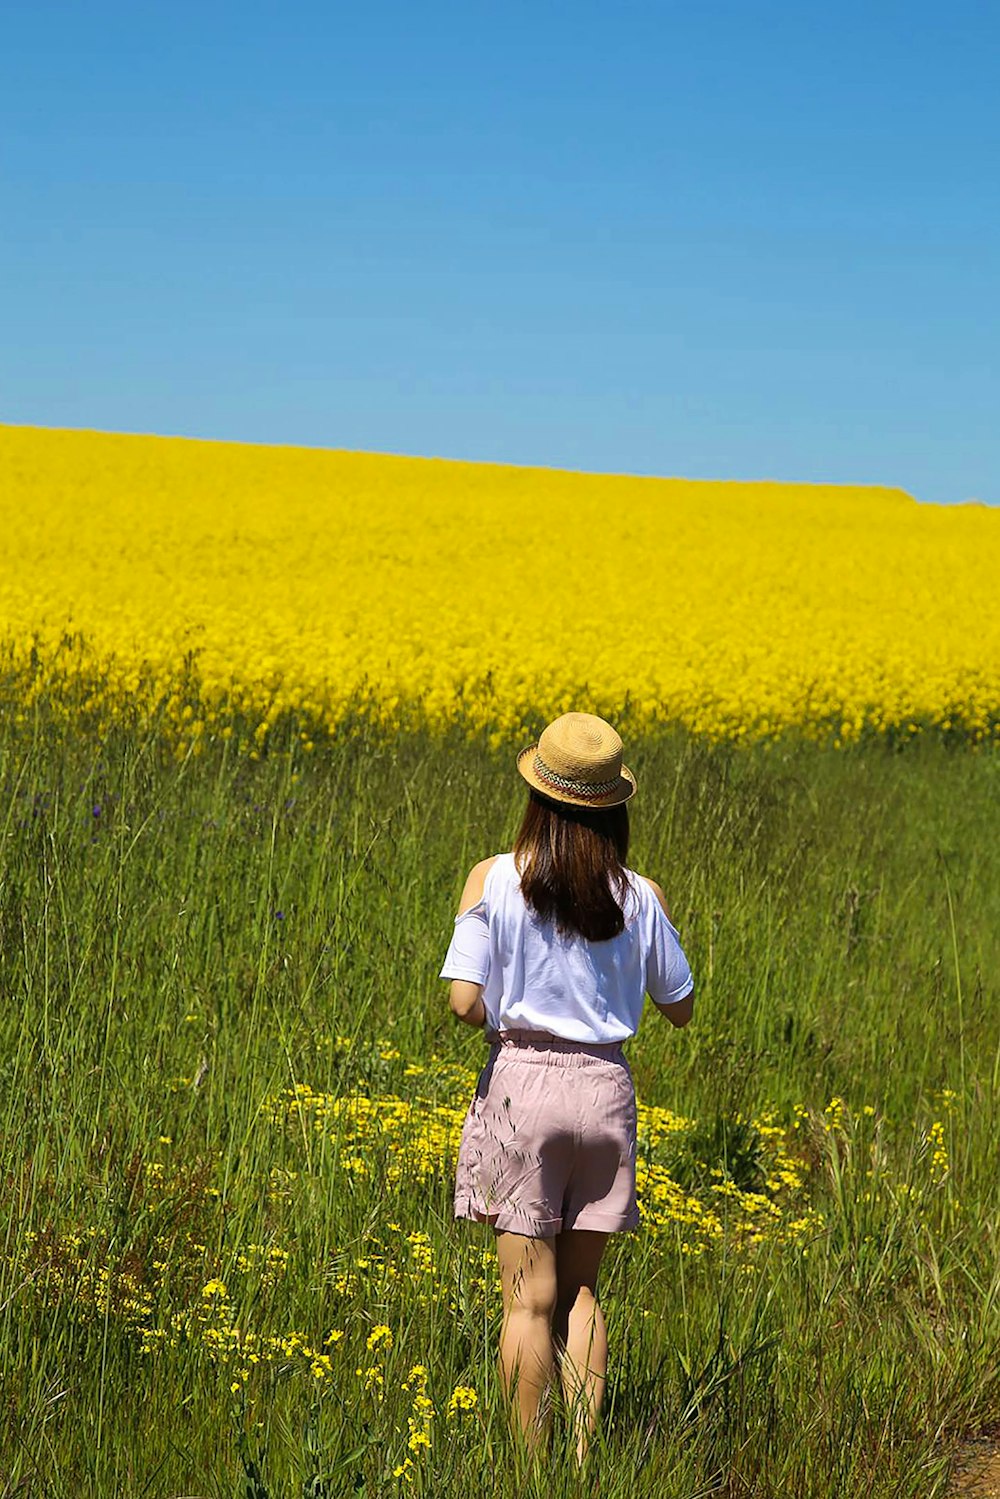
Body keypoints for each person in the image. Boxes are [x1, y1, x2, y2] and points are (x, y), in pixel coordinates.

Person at [439, 711, 694, 1465]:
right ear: (615, 807)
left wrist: (508, 1016)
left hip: (524, 1085)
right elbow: (680, 1006)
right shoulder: (640, 893)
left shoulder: (495, 878)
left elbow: (461, 998)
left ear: (537, 796)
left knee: (528, 1298)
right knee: (581, 1292)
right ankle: (583, 1461)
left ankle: (528, 1467)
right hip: (606, 1089)